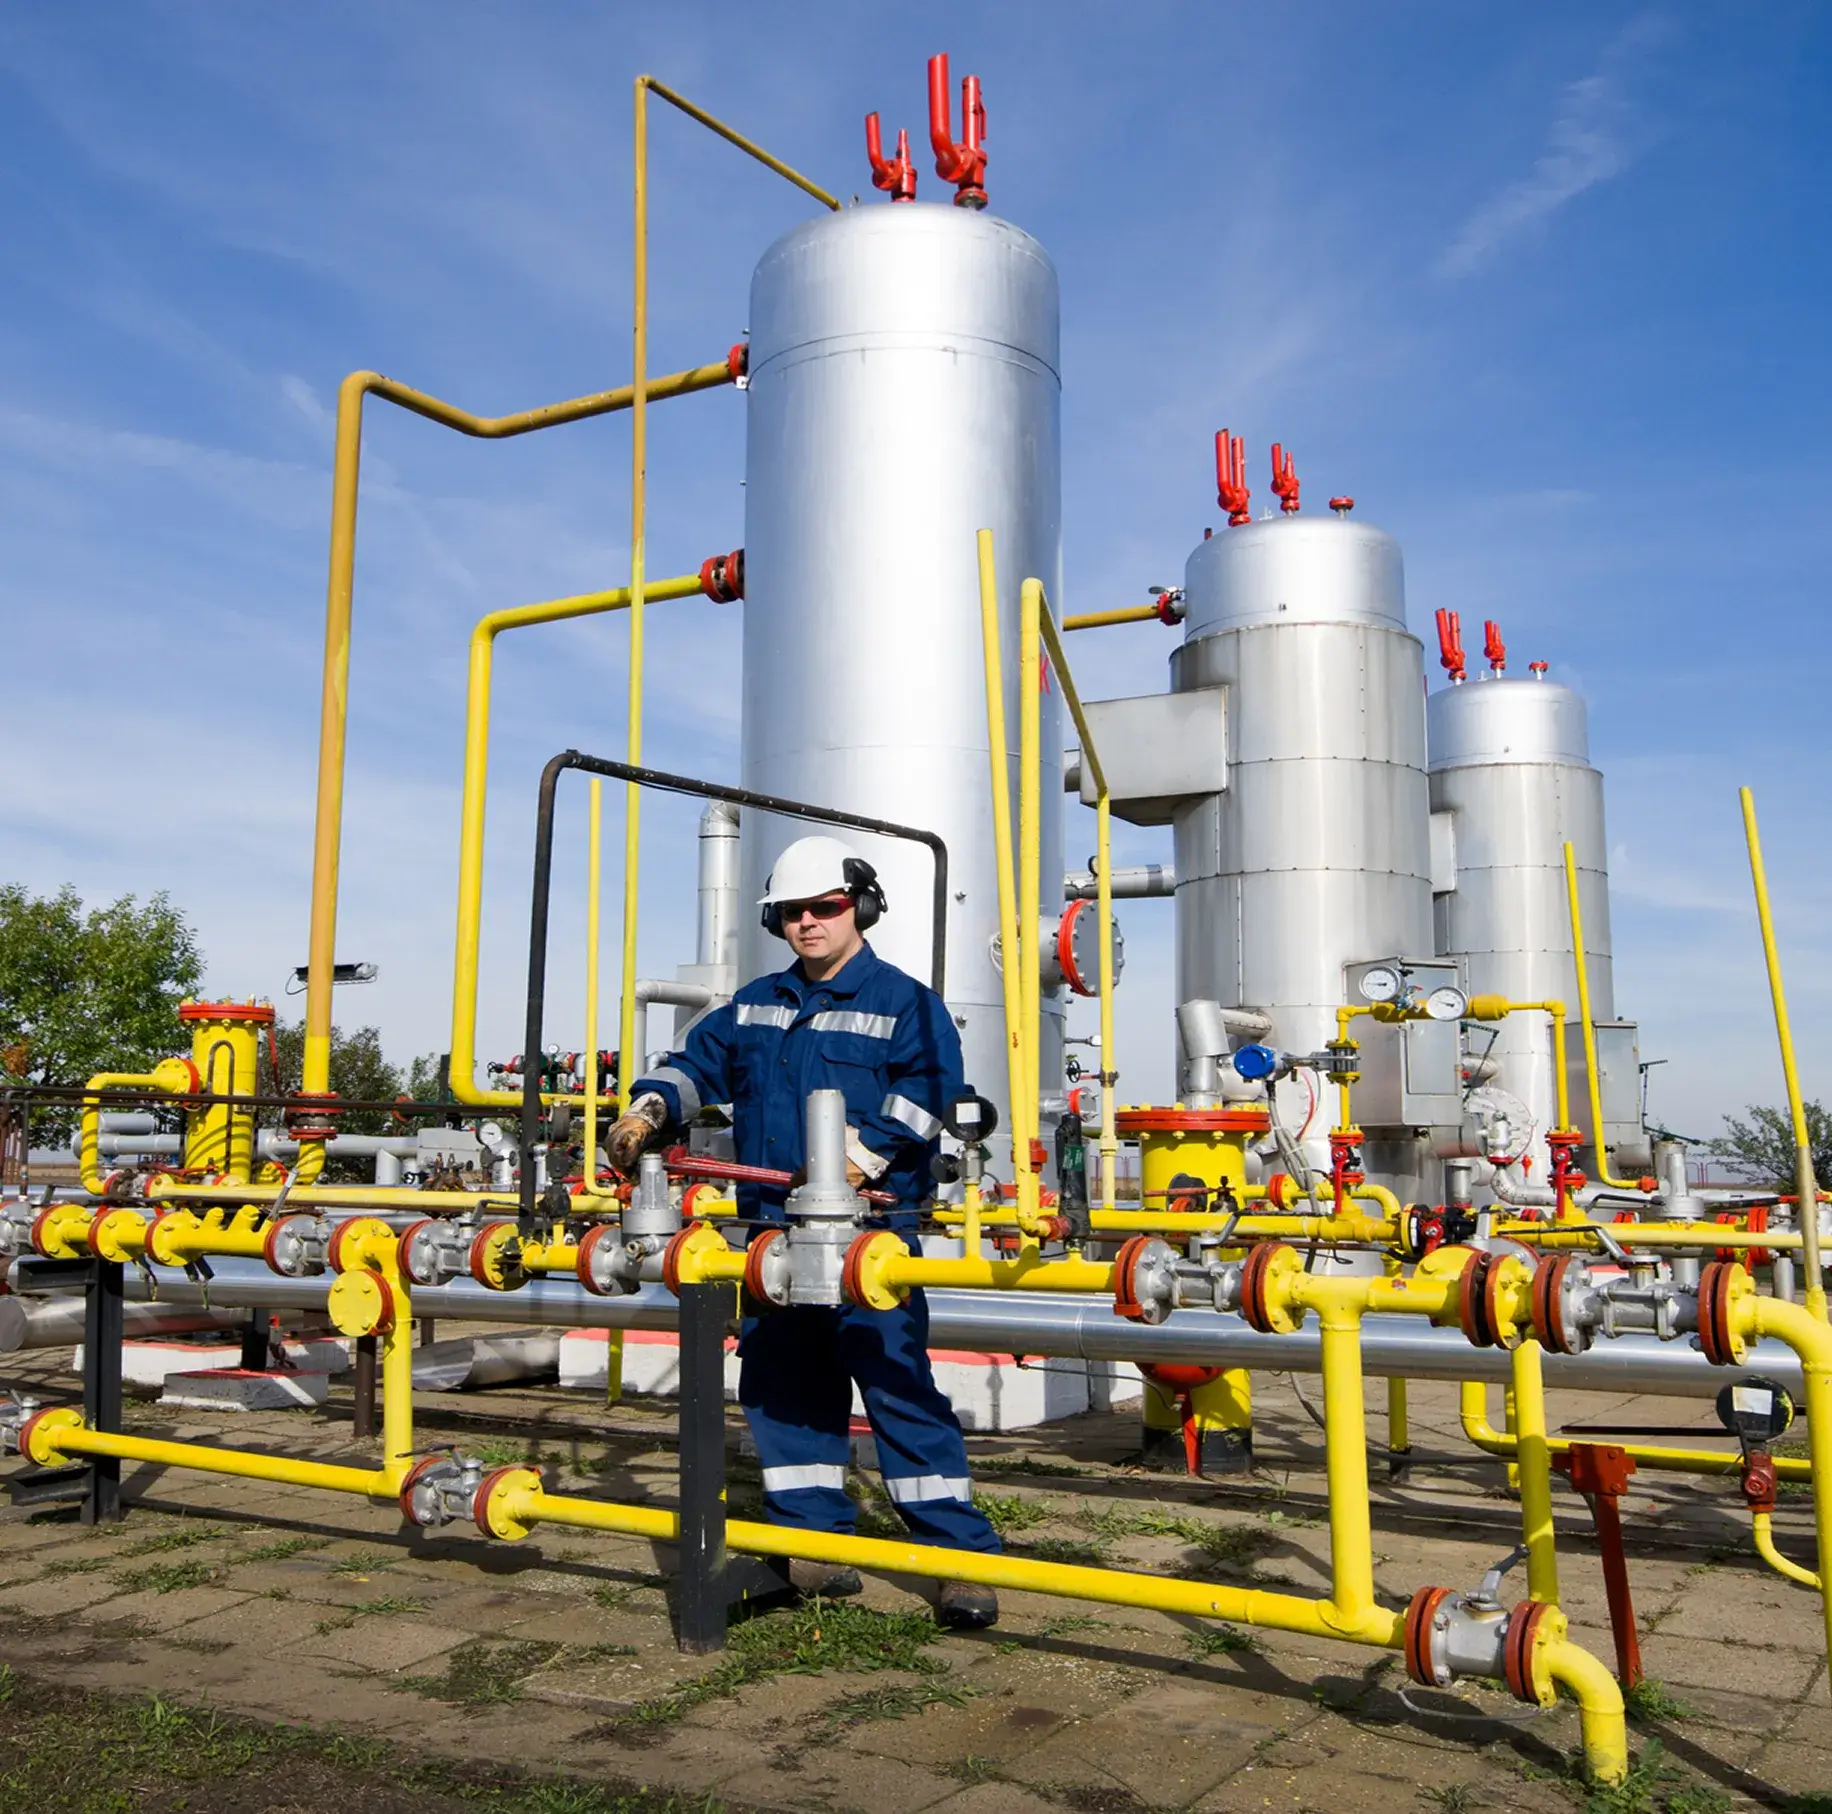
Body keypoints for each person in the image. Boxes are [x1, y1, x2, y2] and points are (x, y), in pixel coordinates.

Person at [606, 834, 1001, 1627]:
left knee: (897, 1388)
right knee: (784, 1389)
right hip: (771, 1239)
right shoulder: (756, 1003)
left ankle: (956, 1560)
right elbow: (697, 1065)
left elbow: (928, 1094)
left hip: (869, 1242)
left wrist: (856, 1162)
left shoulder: (904, 1004)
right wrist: (650, 1105)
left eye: (825, 907)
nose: (809, 924)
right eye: (793, 913)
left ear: (861, 907)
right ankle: (814, 1545)